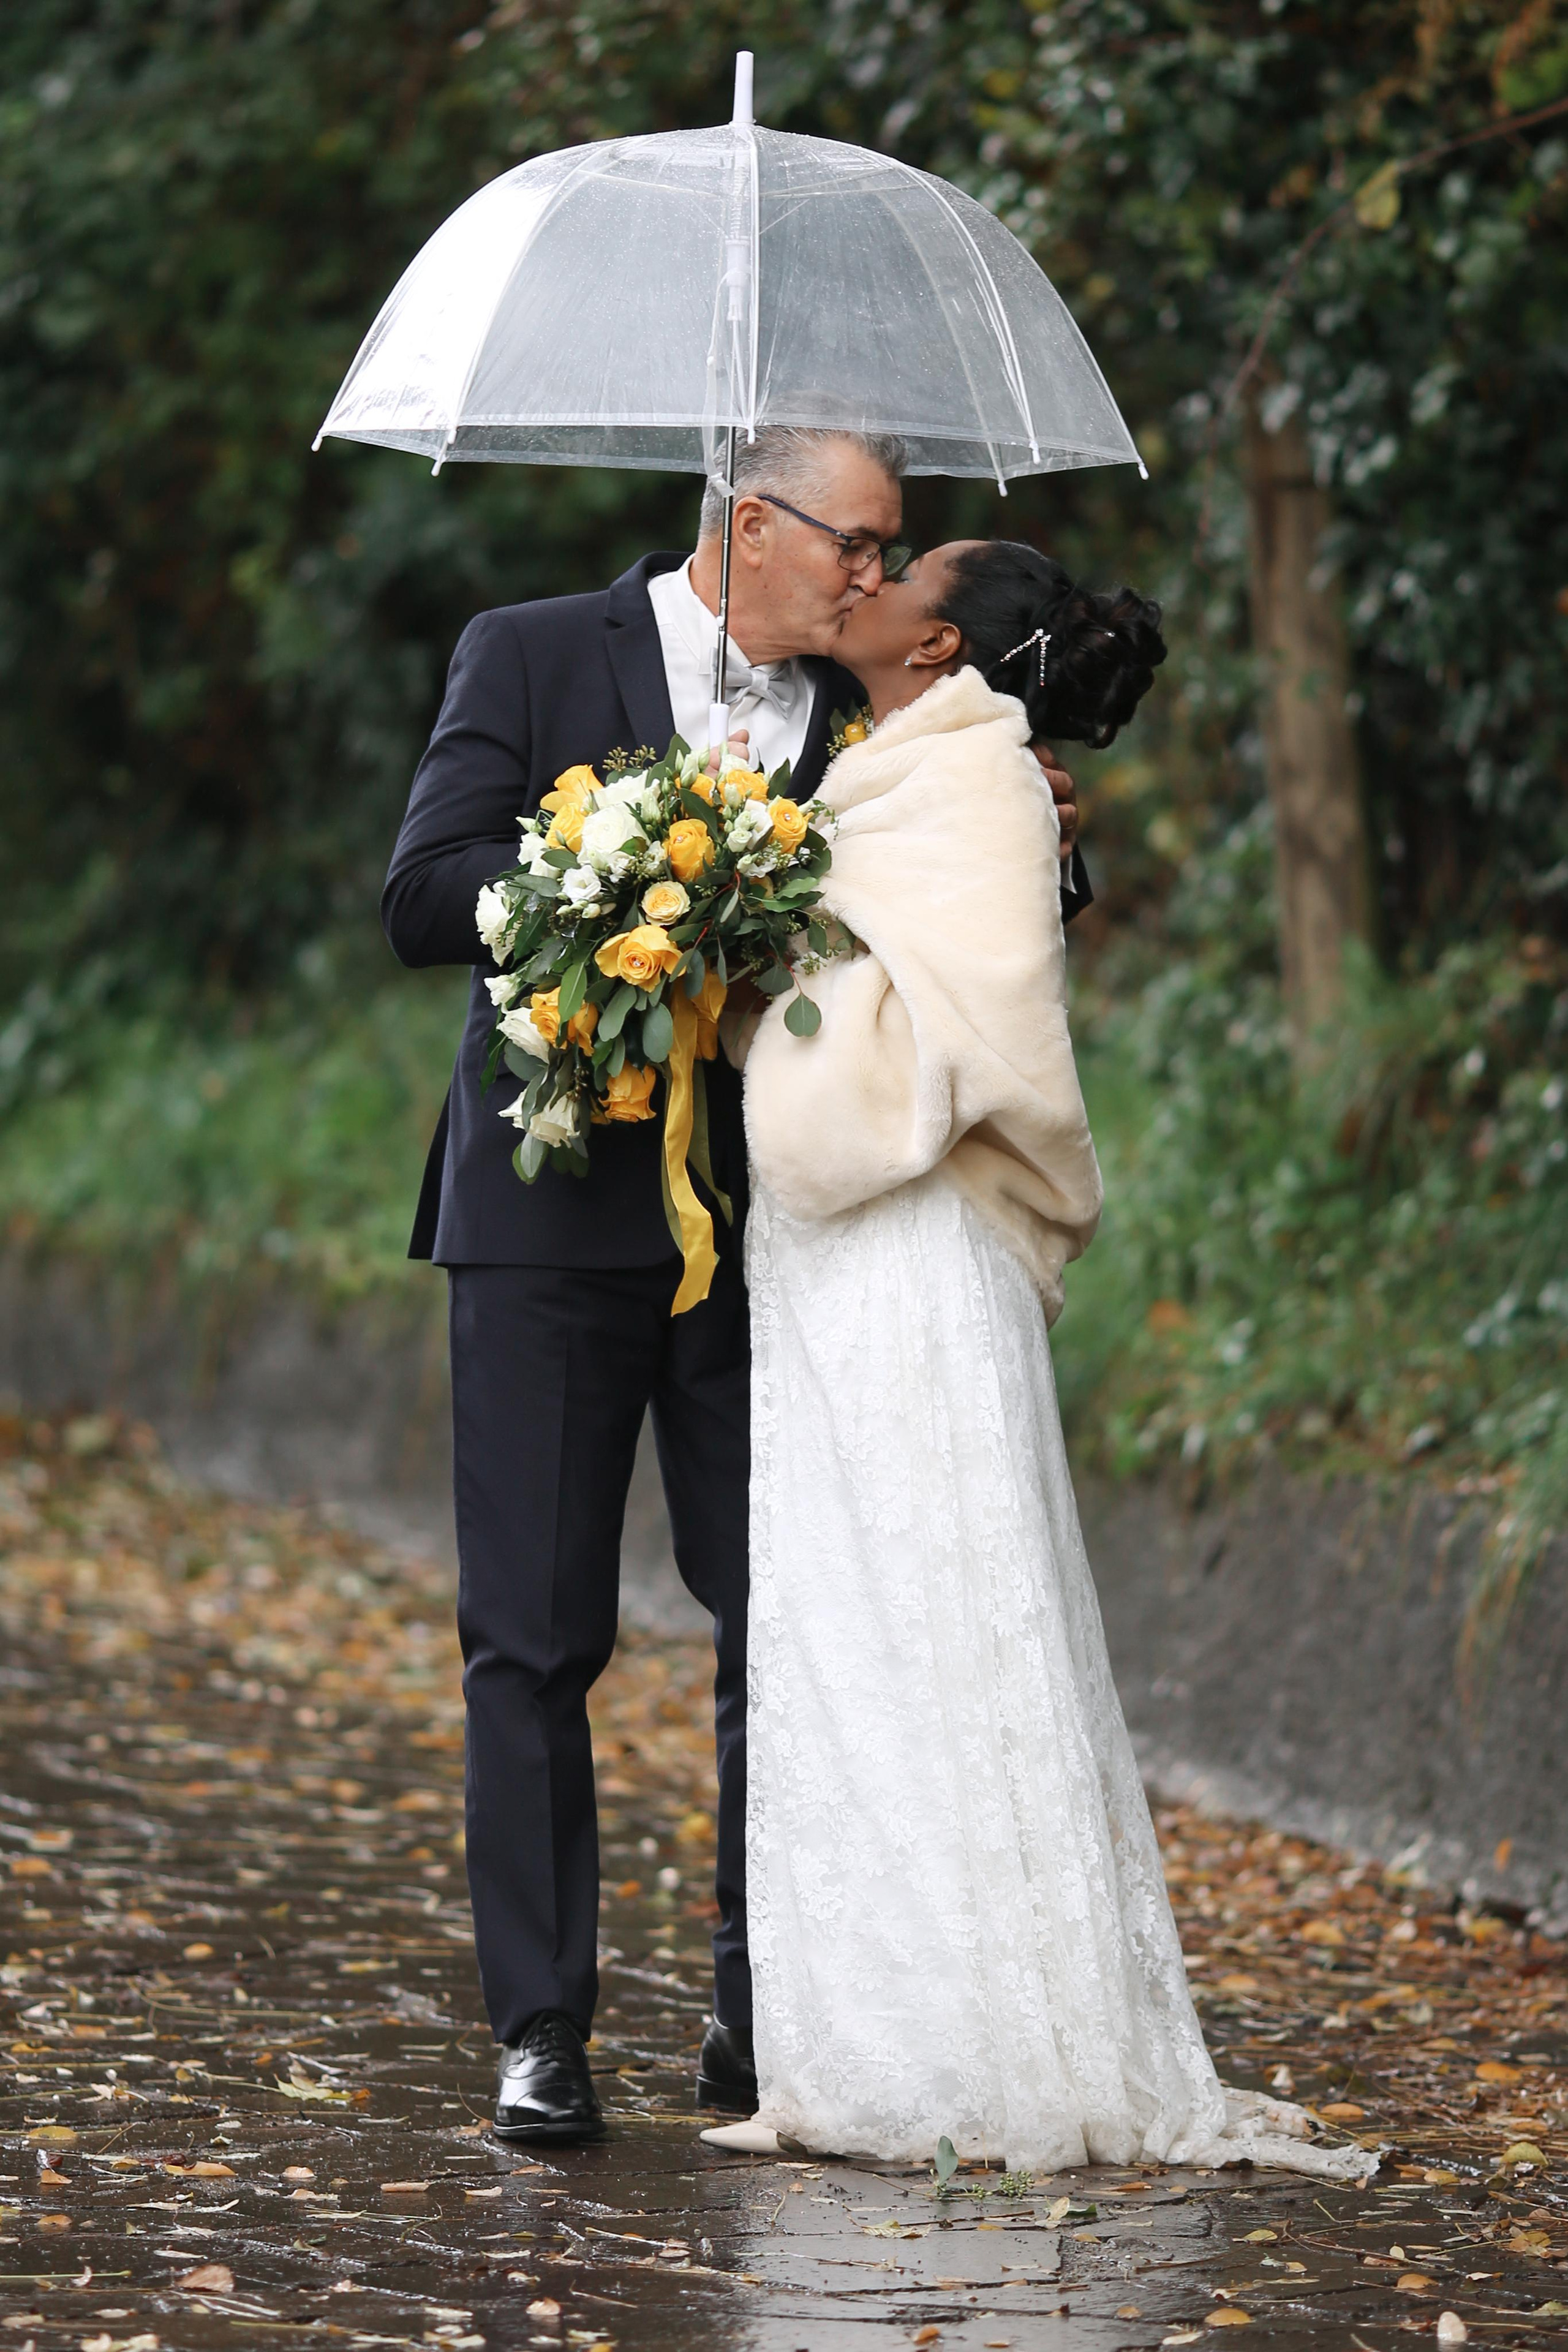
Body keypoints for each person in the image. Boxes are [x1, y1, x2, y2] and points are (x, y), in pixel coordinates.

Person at [382, 439, 1090, 2143]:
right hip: (549, 1220)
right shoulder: (532, 649)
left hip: (780, 1233)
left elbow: (958, 887)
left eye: (889, 559)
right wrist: (619, 884)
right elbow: (420, 896)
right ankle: (542, 2029)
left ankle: (763, 2008)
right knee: (535, 1638)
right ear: (749, 523)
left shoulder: (862, 708)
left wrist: (1056, 838)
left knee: (785, 1623)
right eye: (856, 547)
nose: (871, 582)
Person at [709, 540, 1374, 2181]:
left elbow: (966, 1023)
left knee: (943, 1615)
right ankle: (858, 2041)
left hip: (915, 1249)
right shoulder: (876, 766)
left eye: (885, 574)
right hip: (827, 1255)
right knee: (841, 1621)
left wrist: (760, 989)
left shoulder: (983, 789)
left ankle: (984, 2048)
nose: (851, 583)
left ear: (935, 642)